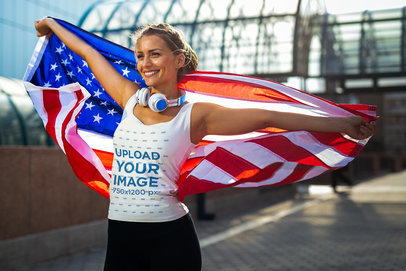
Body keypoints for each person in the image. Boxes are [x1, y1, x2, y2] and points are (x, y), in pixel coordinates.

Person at [34, 17, 375, 271]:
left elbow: (267, 119)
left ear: (178, 60)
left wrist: (340, 124)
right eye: (140, 56)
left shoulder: (196, 115)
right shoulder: (128, 99)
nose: (145, 63)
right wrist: (52, 24)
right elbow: (90, 54)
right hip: (121, 235)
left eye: (155, 54)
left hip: (171, 237)